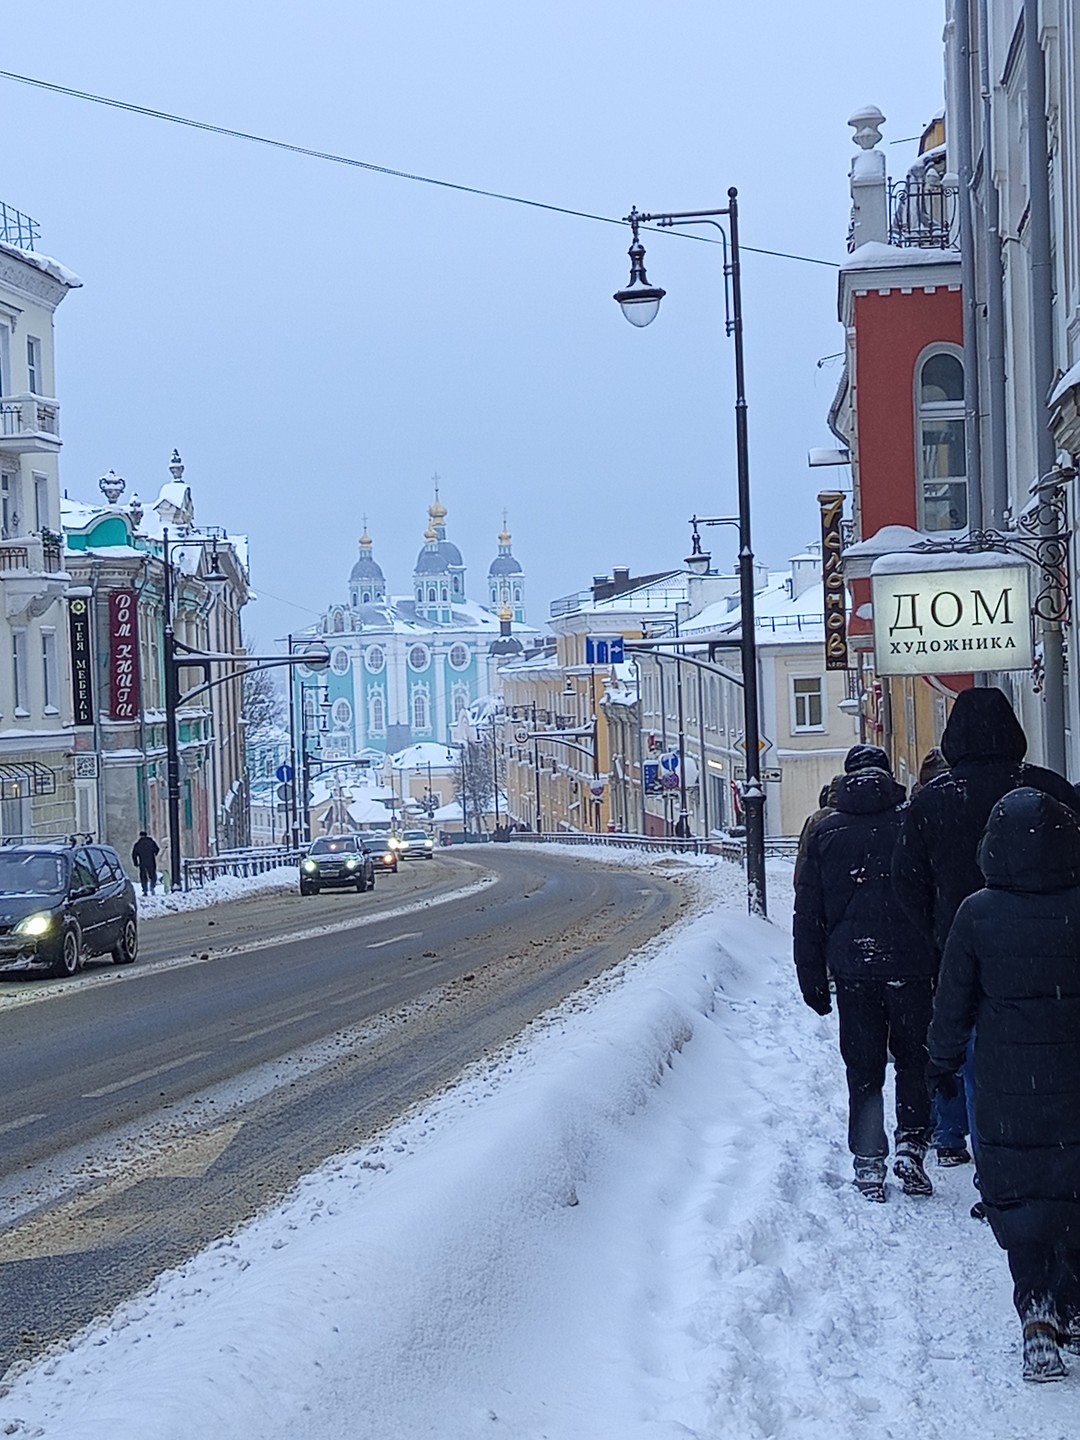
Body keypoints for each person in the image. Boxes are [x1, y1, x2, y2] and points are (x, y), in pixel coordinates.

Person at [928, 789, 1080, 1383]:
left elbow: (953, 1002)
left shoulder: (978, 913)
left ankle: (1037, 1314)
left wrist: (941, 1063)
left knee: (1020, 1199)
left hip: (1006, 1090)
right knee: (1072, 1191)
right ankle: (1072, 1302)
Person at [794, 760, 938, 1201]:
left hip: (854, 966)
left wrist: (812, 978)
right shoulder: (912, 823)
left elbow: (809, 913)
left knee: (863, 1066)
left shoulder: (826, 833)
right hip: (911, 964)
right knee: (914, 1058)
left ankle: (869, 1161)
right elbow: (933, 893)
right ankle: (911, 1144)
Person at [131, 830, 160, 896]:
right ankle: (152, 886)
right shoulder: (151, 842)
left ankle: (145, 890)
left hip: (142, 862)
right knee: (152, 875)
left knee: (143, 876)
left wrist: (135, 863)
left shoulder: (138, 844)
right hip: (151, 861)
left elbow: (134, 854)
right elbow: (157, 849)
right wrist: (154, 854)